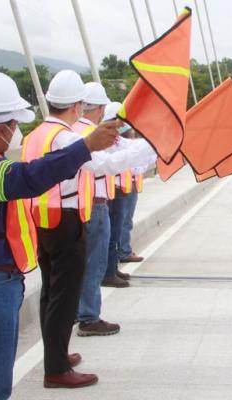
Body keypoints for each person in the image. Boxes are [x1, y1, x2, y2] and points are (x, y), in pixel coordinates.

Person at [0, 71, 119, 399]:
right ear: (2, 127)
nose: (16, 130)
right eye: (14, 123)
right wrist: (84, 147)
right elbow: (27, 178)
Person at [23, 71, 157, 388]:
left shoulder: (38, 134)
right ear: (76, 106)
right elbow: (103, 165)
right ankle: (56, 369)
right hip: (65, 219)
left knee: (51, 293)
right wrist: (152, 146)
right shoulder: (66, 137)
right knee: (65, 295)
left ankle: (56, 353)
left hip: (42, 217)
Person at [72, 85, 154, 328]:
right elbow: (112, 161)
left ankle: (78, 311)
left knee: (80, 263)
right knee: (94, 264)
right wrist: (156, 142)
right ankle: (88, 316)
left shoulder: (72, 131)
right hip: (94, 203)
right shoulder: (93, 134)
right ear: (99, 109)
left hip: (78, 205)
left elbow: (124, 148)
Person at [102, 102, 153, 286]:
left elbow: (132, 147)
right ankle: (109, 272)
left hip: (120, 190)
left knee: (116, 232)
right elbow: (129, 155)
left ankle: (112, 268)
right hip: (113, 191)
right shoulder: (105, 140)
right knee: (112, 233)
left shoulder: (116, 140)